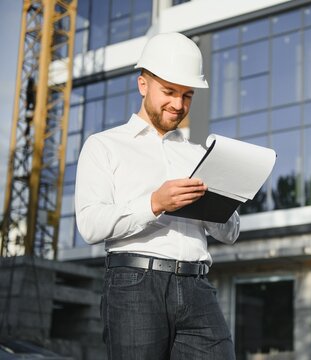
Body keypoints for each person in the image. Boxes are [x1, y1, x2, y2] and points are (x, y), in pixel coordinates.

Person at [74, 32, 239, 360]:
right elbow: (91, 225)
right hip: (135, 285)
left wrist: (214, 205)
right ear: (142, 84)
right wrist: (156, 203)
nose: (178, 105)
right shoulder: (104, 145)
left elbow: (231, 233)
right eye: (169, 92)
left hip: (198, 286)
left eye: (187, 95)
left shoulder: (198, 155)